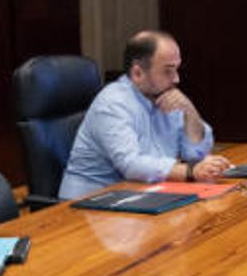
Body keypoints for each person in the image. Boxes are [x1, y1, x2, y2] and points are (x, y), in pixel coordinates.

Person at [60, 31, 232, 199]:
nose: (176, 79)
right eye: (168, 71)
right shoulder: (113, 103)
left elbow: (195, 154)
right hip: (90, 204)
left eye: (177, 69)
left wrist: (190, 111)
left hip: (142, 195)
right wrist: (190, 171)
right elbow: (131, 164)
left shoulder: (165, 97)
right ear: (138, 73)